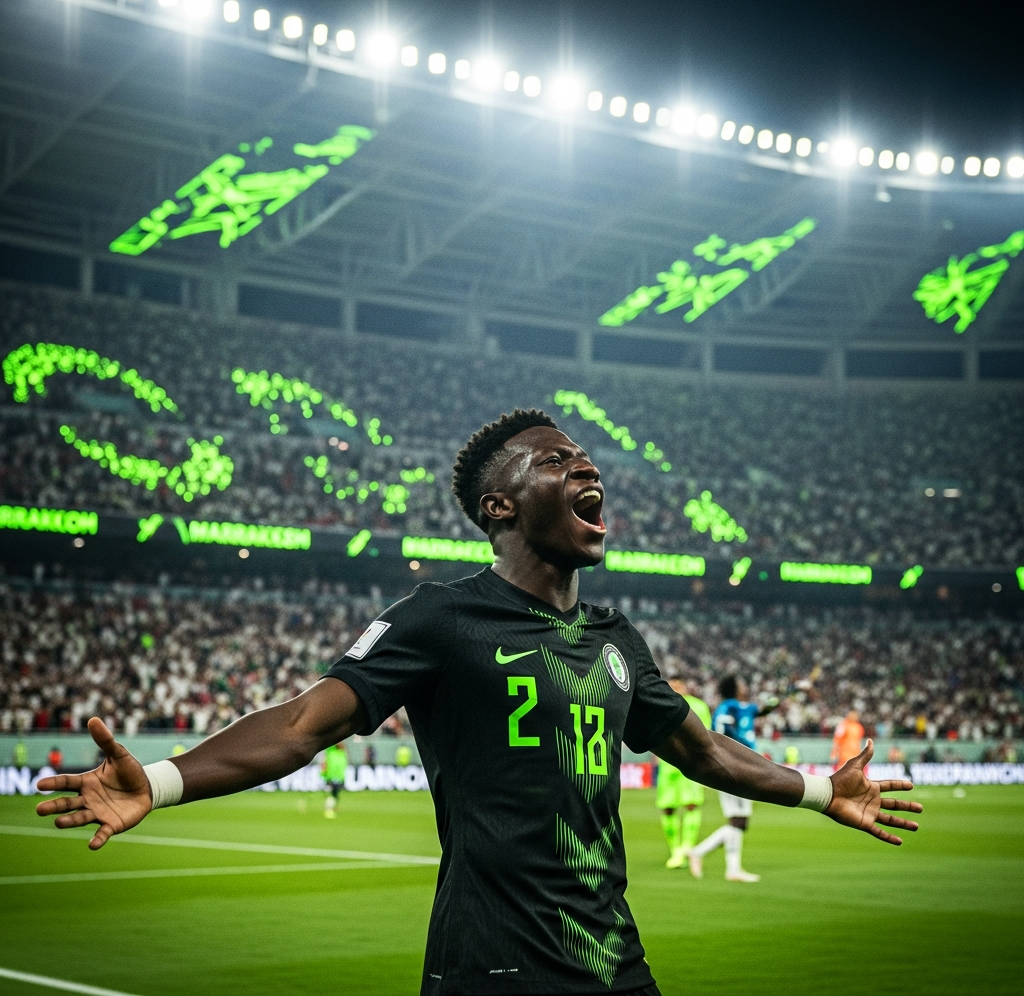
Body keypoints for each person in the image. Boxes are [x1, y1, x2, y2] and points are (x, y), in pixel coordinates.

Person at [38, 409, 922, 996]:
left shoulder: (618, 642)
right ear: (501, 505)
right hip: (489, 968)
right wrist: (162, 778)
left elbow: (708, 755)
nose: (584, 465)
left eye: (584, 456)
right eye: (556, 460)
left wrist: (818, 792)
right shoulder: (441, 619)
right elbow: (308, 724)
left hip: (617, 965)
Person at [688, 676, 774, 883]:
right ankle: (704, 855)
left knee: (740, 821)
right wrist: (742, 747)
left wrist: (791, 690)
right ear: (734, 688)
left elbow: (763, 710)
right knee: (737, 819)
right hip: (732, 766)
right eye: (741, 683)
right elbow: (721, 730)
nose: (745, 685)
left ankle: (727, 866)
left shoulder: (744, 707)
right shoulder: (727, 707)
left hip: (742, 764)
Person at [655, 679, 712, 868]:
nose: (675, 688)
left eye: (678, 685)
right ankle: (675, 851)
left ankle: (688, 848)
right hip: (668, 766)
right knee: (668, 808)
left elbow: (707, 736)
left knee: (691, 805)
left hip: (691, 764)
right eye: (671, 685)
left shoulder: (698, 706)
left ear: (686, 687)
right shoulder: (658, 702)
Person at [321, 741, 348, 818]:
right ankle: (329, 810)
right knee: (333, 794)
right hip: (332, 775)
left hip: (339, 776)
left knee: (335, 794)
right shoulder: (330, 750)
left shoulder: (341, 752)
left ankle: (331, 808)